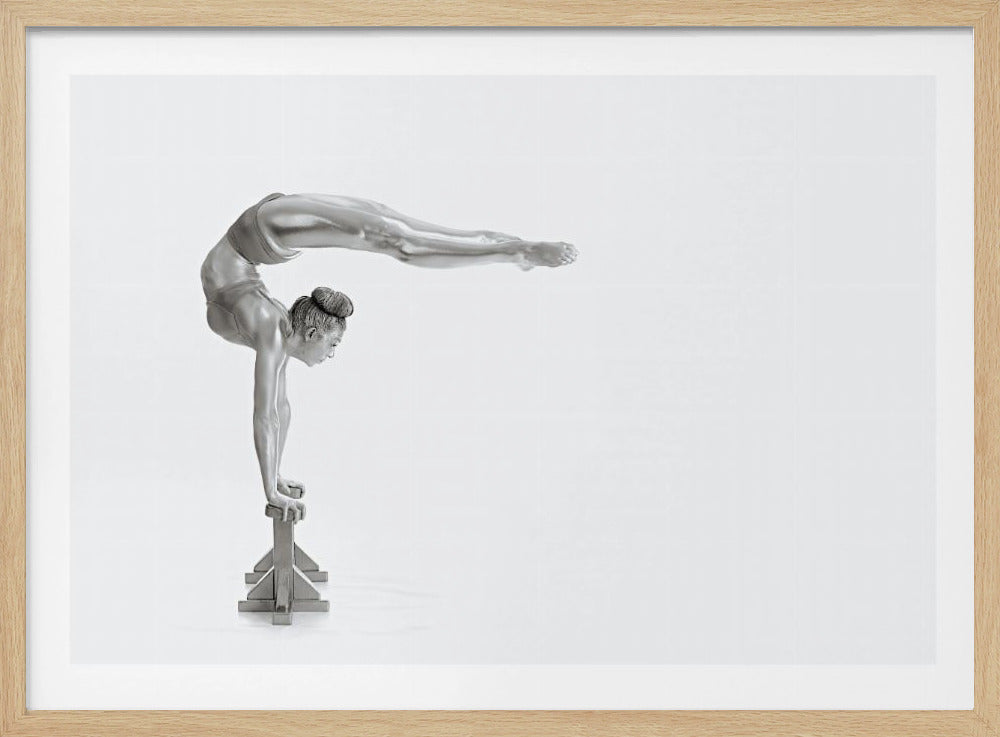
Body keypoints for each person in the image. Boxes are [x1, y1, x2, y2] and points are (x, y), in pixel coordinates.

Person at [200, 193, 577, 521]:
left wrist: (269, 489)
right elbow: (281, 406)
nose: (332, 354)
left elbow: (264, 413)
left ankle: (517, 251)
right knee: (387, 223)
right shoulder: (277, 336)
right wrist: (276, 476)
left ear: (311, 333)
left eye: (332, 345)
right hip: (263, 231)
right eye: (335, 345)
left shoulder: (269, 328)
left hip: (264, 229)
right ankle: (509, 246)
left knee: (397, 241)